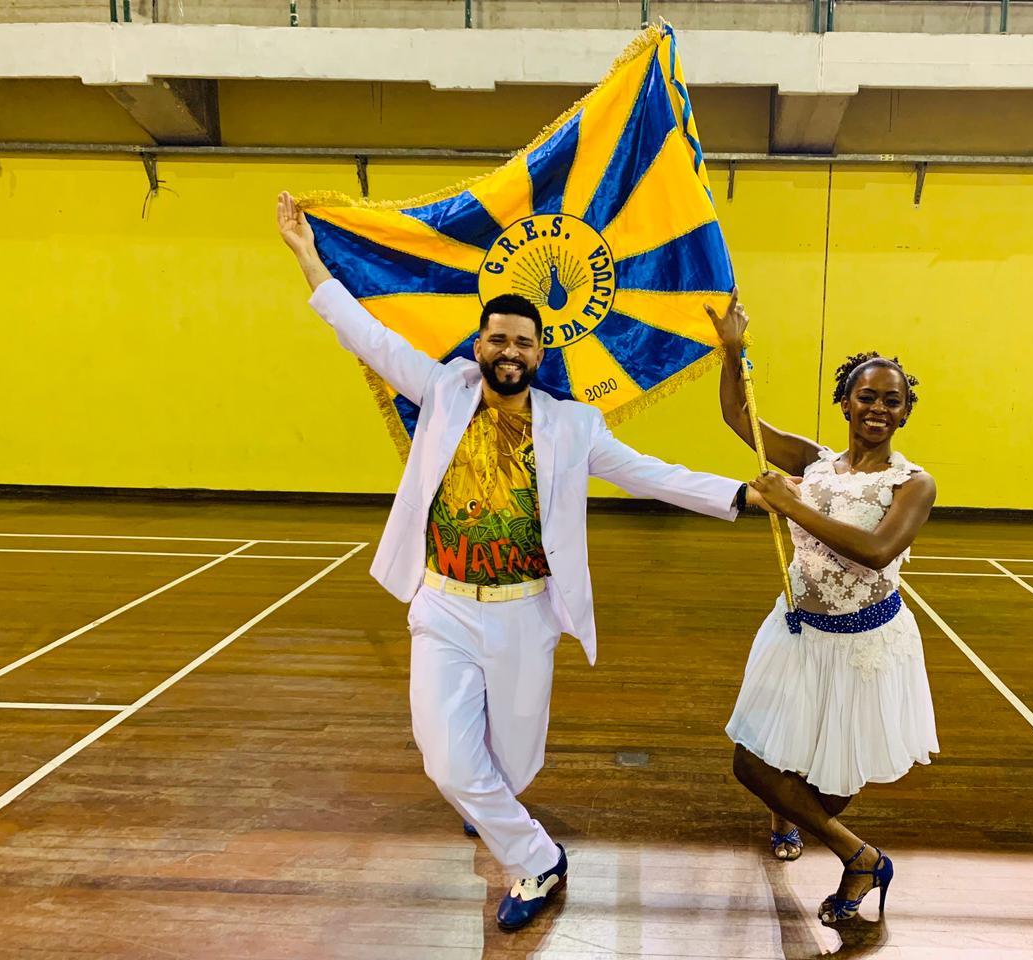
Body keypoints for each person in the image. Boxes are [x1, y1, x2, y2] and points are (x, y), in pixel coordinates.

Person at [276, 193, 768, 932]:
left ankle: (495, 806)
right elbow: (366, 336)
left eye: (523, 343)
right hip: (442, 603)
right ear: (479, 345)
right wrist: (307, 255)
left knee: (513, 758)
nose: (509, 351)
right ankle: (537, 859)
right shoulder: (441, 390)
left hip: (526, 611)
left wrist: (742, 492)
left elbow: (651, 473)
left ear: (541, 353)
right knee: (446, 761)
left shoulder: (574, 425)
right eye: (497, 338)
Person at [706, 290, 939, 929]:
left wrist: (789, 505)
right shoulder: (813, 462)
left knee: (831, 787)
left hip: (866, 645)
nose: (878, 408)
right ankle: (857, 855)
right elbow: (739, 418)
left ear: (905, 413)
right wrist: (734, 352)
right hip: (798, 630)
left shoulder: (913, 483)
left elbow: (876, 550)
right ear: (845, 401)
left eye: (892, 400)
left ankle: (815, 827)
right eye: (867, 395)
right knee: (753, 760)